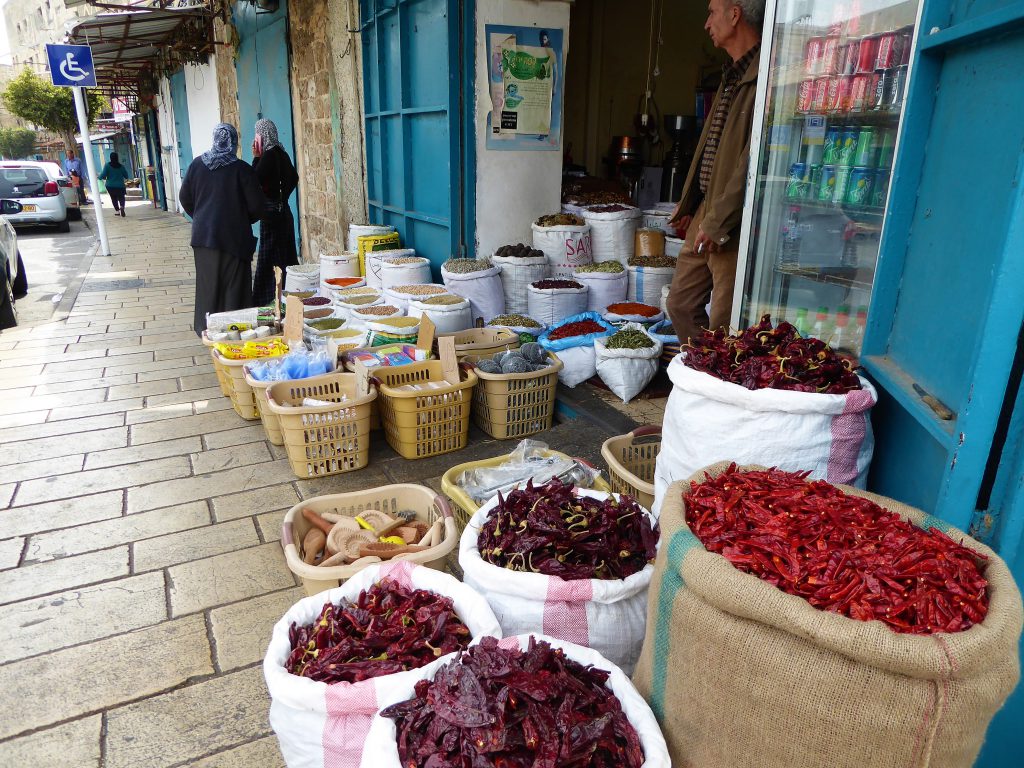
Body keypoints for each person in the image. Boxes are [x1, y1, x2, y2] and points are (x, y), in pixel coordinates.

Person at [665, 0, 764, 344]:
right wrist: (690, 205)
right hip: (708, 207)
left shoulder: (763, 77)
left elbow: (752, 162)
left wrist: (718, 219)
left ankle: (718, 382)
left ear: (735, 15)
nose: (707, 23)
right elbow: (710, 147)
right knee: (679, 302)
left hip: (731, 218)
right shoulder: (732, 74)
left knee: (723, 318)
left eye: (712, 12)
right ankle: (706, 369)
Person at [179, 123, 266, 335]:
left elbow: (185, 198)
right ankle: (233, 329)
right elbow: (257, 207)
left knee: (208, 286)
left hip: (203, 237)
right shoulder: (242, 170)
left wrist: (201, 217)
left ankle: (207, 329)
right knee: (234, 287)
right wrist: (241, 219)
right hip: (234, 238)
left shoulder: (196, 165)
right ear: (234, 142)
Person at [250, 118, 299, 306]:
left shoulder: (268, 155)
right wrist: (283, 197)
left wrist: (255, 157)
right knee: (286, 255)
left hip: (271, 214)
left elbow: (254, 179)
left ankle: (266, 300)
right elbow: (294, 178)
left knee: (268, 258)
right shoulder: (281, 152)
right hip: (284, 212)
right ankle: (289, 295)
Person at [98, 152, 130, 217]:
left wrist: (99, 177)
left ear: (110, 158)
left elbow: (103, 175)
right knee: (121, 197)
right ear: (117, 158)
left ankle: (117, 211)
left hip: (110, 186)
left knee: (113, 198)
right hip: (120, 186)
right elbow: (126, 176)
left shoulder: (107, 165)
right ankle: (121, 207)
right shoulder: (121, 166)